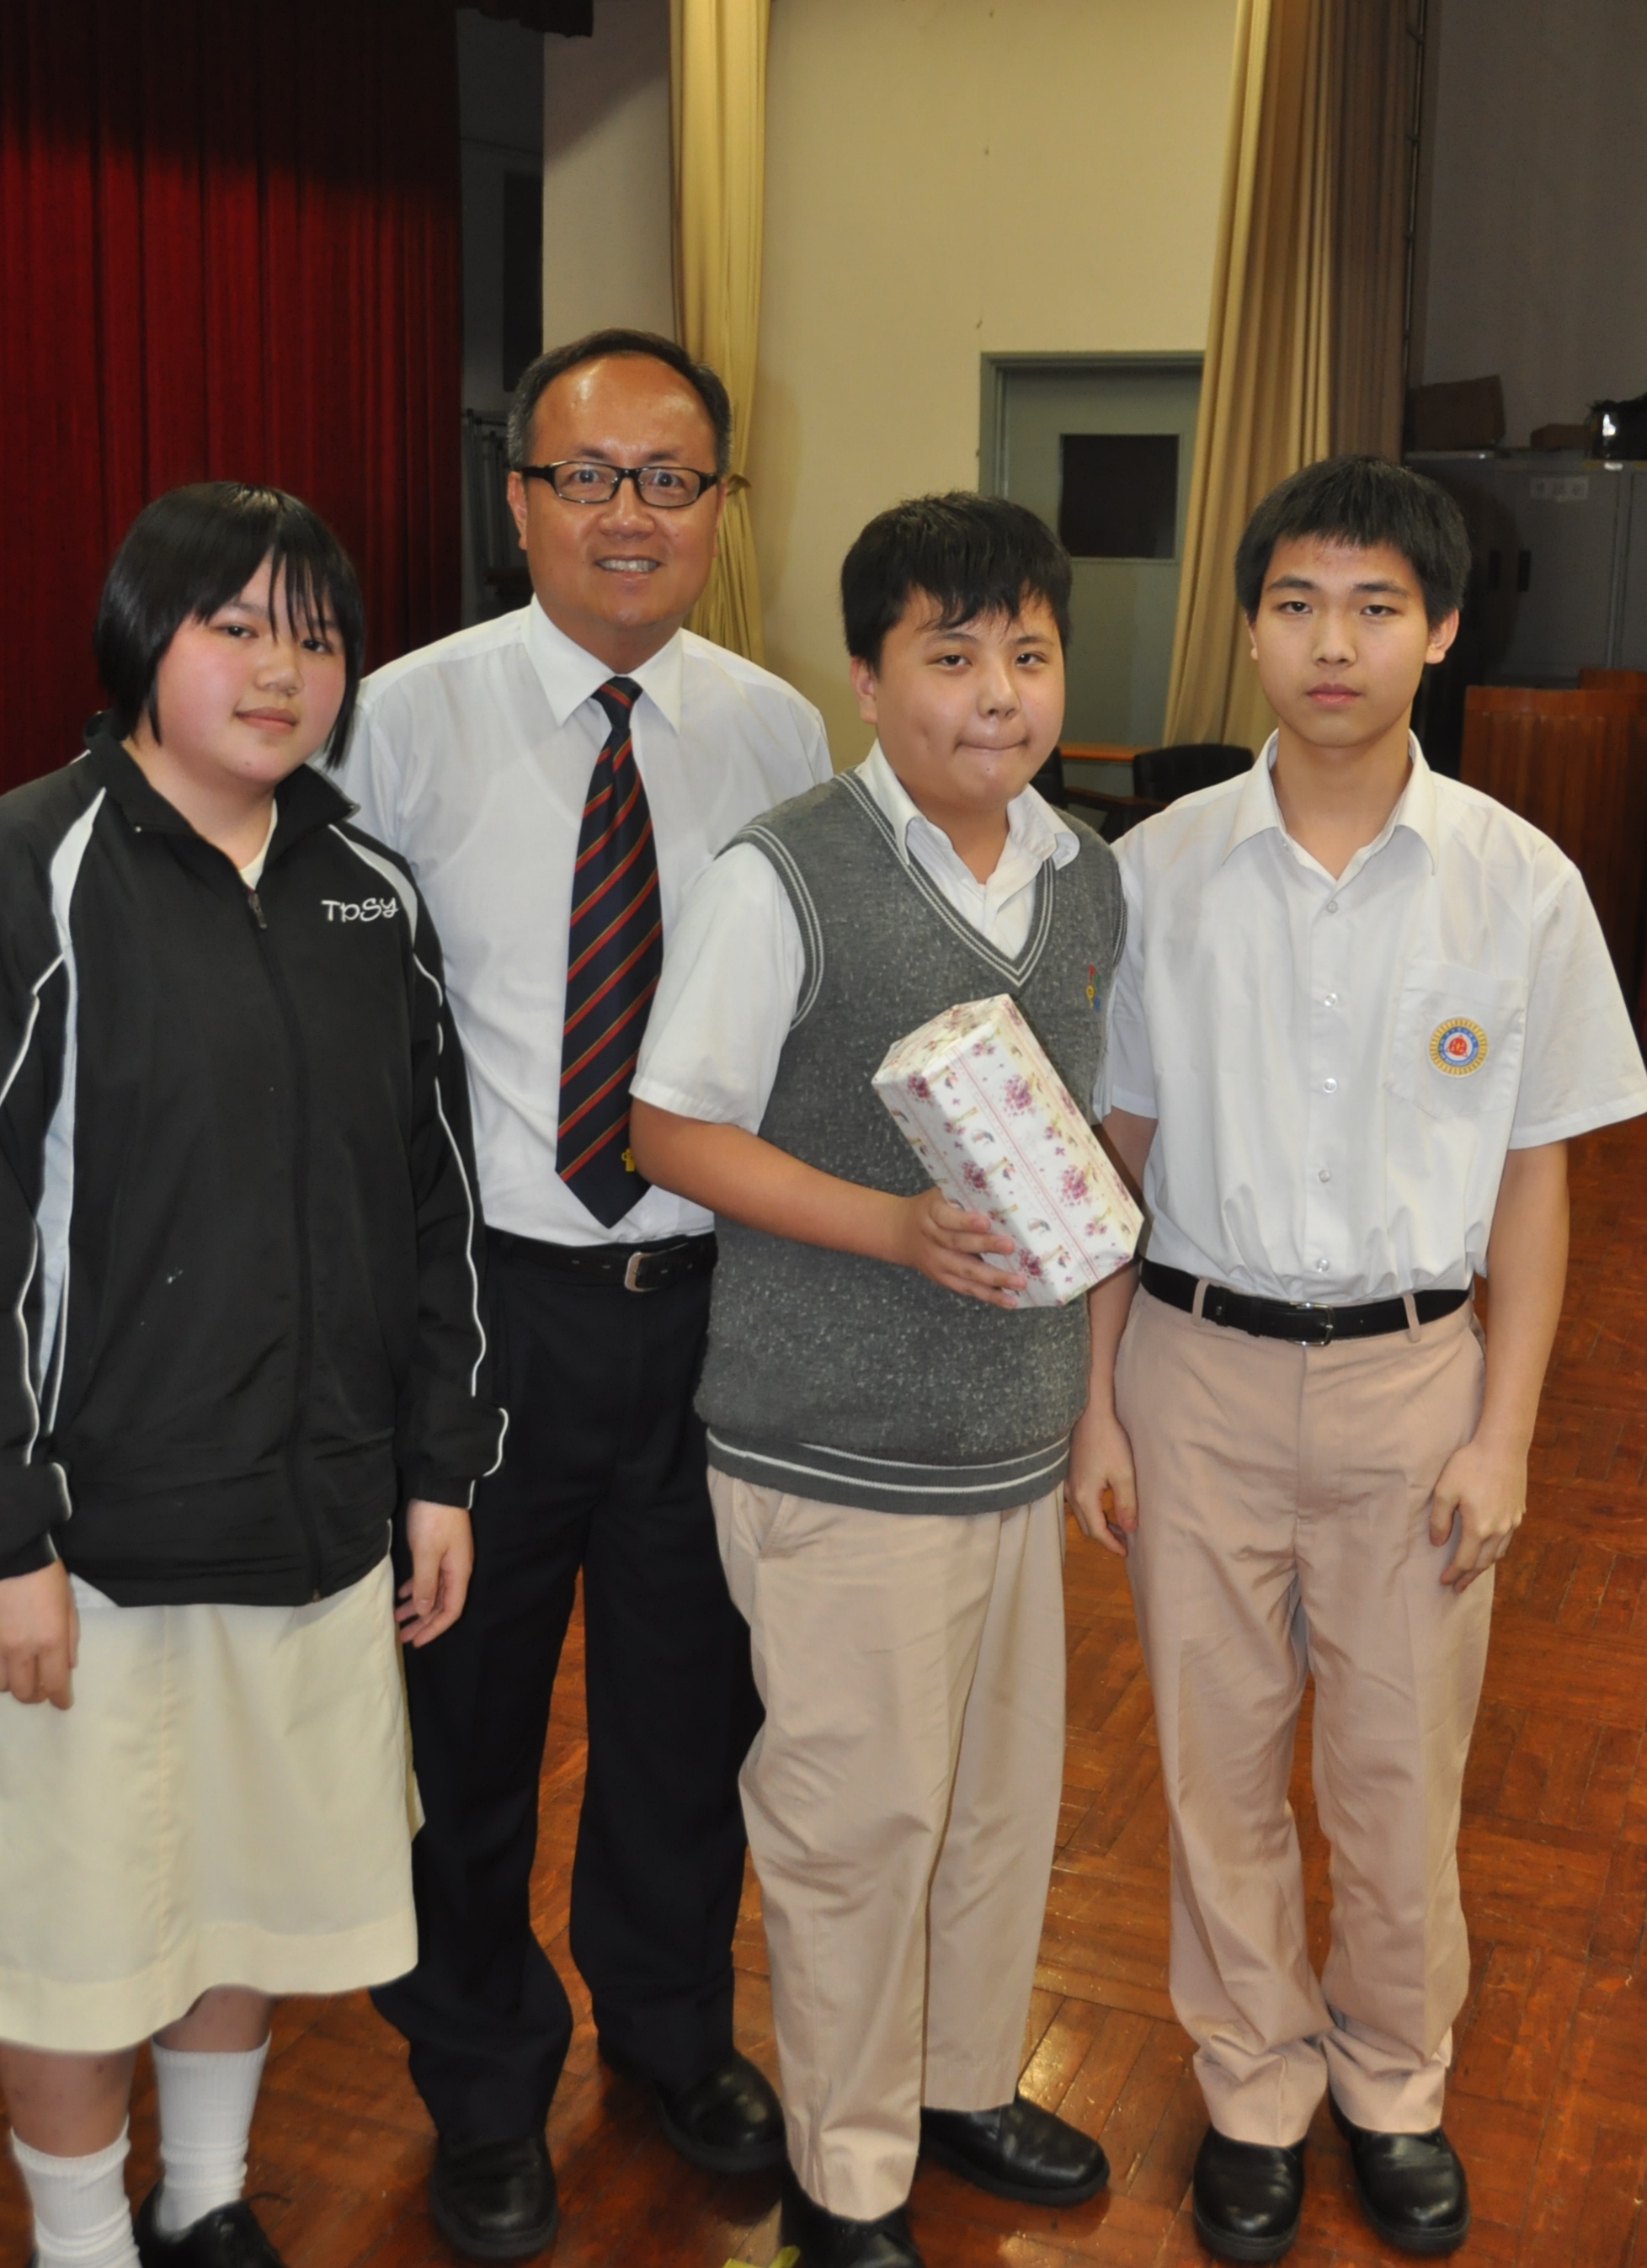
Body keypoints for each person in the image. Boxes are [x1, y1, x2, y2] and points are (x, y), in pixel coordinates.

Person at [0, 483, 502, 2268]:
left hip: (319, 1513)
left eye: (318, 636)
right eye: (238, 628)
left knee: (254, 1894)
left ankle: (205, 2204)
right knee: (73, 1935)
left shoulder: (368, 891)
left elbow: (431, 1202)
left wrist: (438, 1466)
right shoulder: (23, 873)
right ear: (145, 640)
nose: (284, 670)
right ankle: (80, 2243)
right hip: (90, 1543)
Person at [1069, 455, 1647, 2265]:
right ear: (1249, 629)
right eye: (1299, 604)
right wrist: (1096, 1406)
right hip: (1194, 1371)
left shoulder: (1520, 884)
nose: (1336, 643)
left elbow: (1538, 1183)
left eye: (1377, 606)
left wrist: (1506, 1432)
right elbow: (1116, 1166)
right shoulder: (1156, 874)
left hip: (1415, 1385)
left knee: (1401, 1776)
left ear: (1441, 630)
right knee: (1215, 1768)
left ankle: (1395, 2083)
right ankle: (1253, 2088)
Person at [336, 328, 831, 2260]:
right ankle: (480, 2080)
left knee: (688, 1710)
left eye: (672, 478)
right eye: (590, 476)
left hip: (712, 1299)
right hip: (489, 1314)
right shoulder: (400, 720)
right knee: (460, 1721)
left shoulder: (777, 735)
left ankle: (672, 2033)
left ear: (720, 505)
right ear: (519, 498)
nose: (633, 514)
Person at [629, 492, 1119, 2268]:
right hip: (830, 1451)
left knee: (995, 1806)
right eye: (951, 654)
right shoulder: (784, 873)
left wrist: (1089, 1405)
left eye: (1027, 654)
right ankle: (847, 2180)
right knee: (855, 1826)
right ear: (866, 676)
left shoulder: (1087, 874)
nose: (996, 694)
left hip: (1011, 1439)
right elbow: (668, 1130)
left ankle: (964, 2083)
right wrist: (891, 1230)